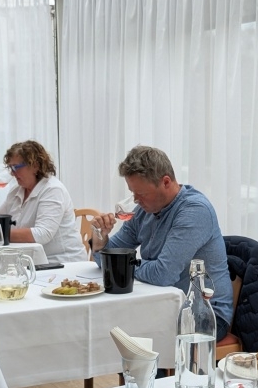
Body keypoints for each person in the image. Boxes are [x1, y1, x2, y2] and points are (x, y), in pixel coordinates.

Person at [90, 145, 234, 340]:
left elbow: (163, 274)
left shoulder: (194, 211)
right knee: (105, 328)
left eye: (141, 193)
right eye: (132, 193)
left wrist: (122, 265)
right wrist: (100, 239)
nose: (136, 200)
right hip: (163, 304)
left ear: (166, 182)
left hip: (204, 314)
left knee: (123, 335)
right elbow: (104, 260)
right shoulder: (144, 210)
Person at [0, 140, 87, 264]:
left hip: (62, 262)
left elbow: (42, 234)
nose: (12, 173)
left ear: (35, 166)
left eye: (16, 167)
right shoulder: (17, 191)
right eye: (10, 167)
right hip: (30, 261)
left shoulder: (53, 189)